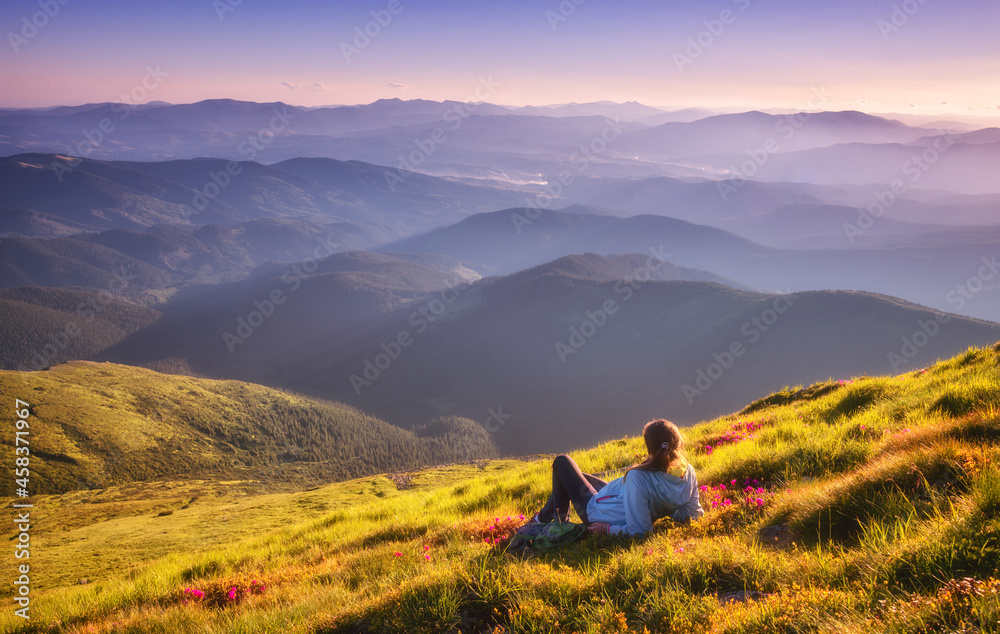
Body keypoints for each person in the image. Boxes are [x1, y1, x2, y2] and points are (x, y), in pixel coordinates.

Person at [528, 419, 703, 536]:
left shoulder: (638, 477)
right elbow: (693, 516)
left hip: (599, 513)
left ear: (649, 449)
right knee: (579, 477)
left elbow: (640, 531)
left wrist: (607, 529)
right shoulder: (687, 472)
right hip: (617, 496)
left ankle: (554, 522)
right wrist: (668, 508)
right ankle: (546, 515)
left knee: (562, 462)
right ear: (678, 443)